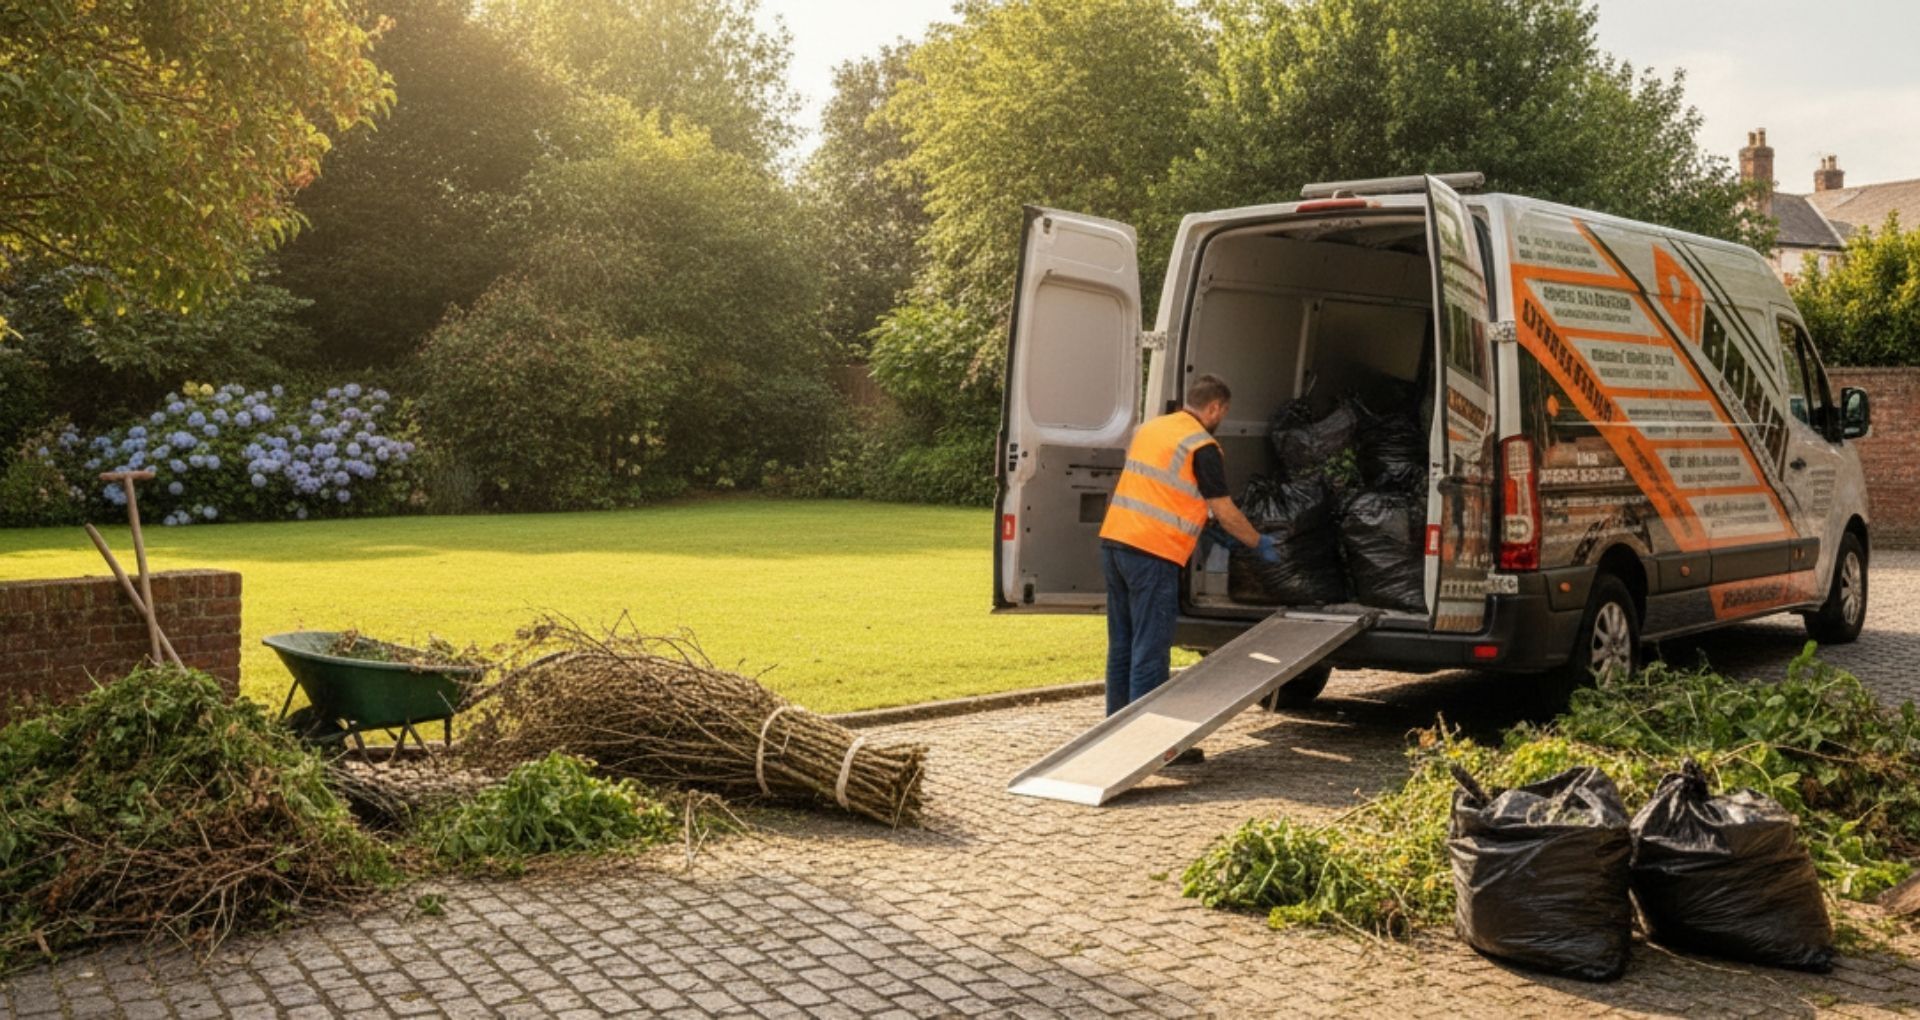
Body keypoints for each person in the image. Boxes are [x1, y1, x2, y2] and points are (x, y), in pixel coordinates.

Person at [1097, 374, 1274, 755]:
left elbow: (1161, 488)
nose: (1221, 419)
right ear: (1214, 408)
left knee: (1123, 644)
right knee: (1151, 648)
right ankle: (1152, 748)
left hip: (1115, 542)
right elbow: (1225, 511)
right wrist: (1259, 543)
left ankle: (1116, 732)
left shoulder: (1151, 429)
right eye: (1223, 412)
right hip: (1153, 553)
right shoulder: (1202, 446)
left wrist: (1201, 522)